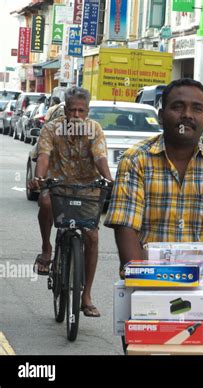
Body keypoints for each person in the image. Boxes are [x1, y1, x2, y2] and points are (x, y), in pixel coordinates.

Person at [104, 78, 203, 308]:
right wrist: (142, 280)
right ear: (161, 116)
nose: (187, 114)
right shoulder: (135, 160)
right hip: (148, 283)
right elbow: (125, 227)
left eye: (196, 108)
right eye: (177, 107)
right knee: (145, 343)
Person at [28, 87, 114, 318]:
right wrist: (39, 178)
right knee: (44, 201)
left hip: (87, 188)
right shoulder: (52, 128)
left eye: (81, 110)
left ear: (87, 111)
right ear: (66, 110)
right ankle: (47, 249)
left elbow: (100, 157)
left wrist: (109, 179)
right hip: (58, 185)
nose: (76, 115)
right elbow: (44, 156)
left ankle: (86, 296)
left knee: (92, 236)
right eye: (72, 110)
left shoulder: (94, 129)